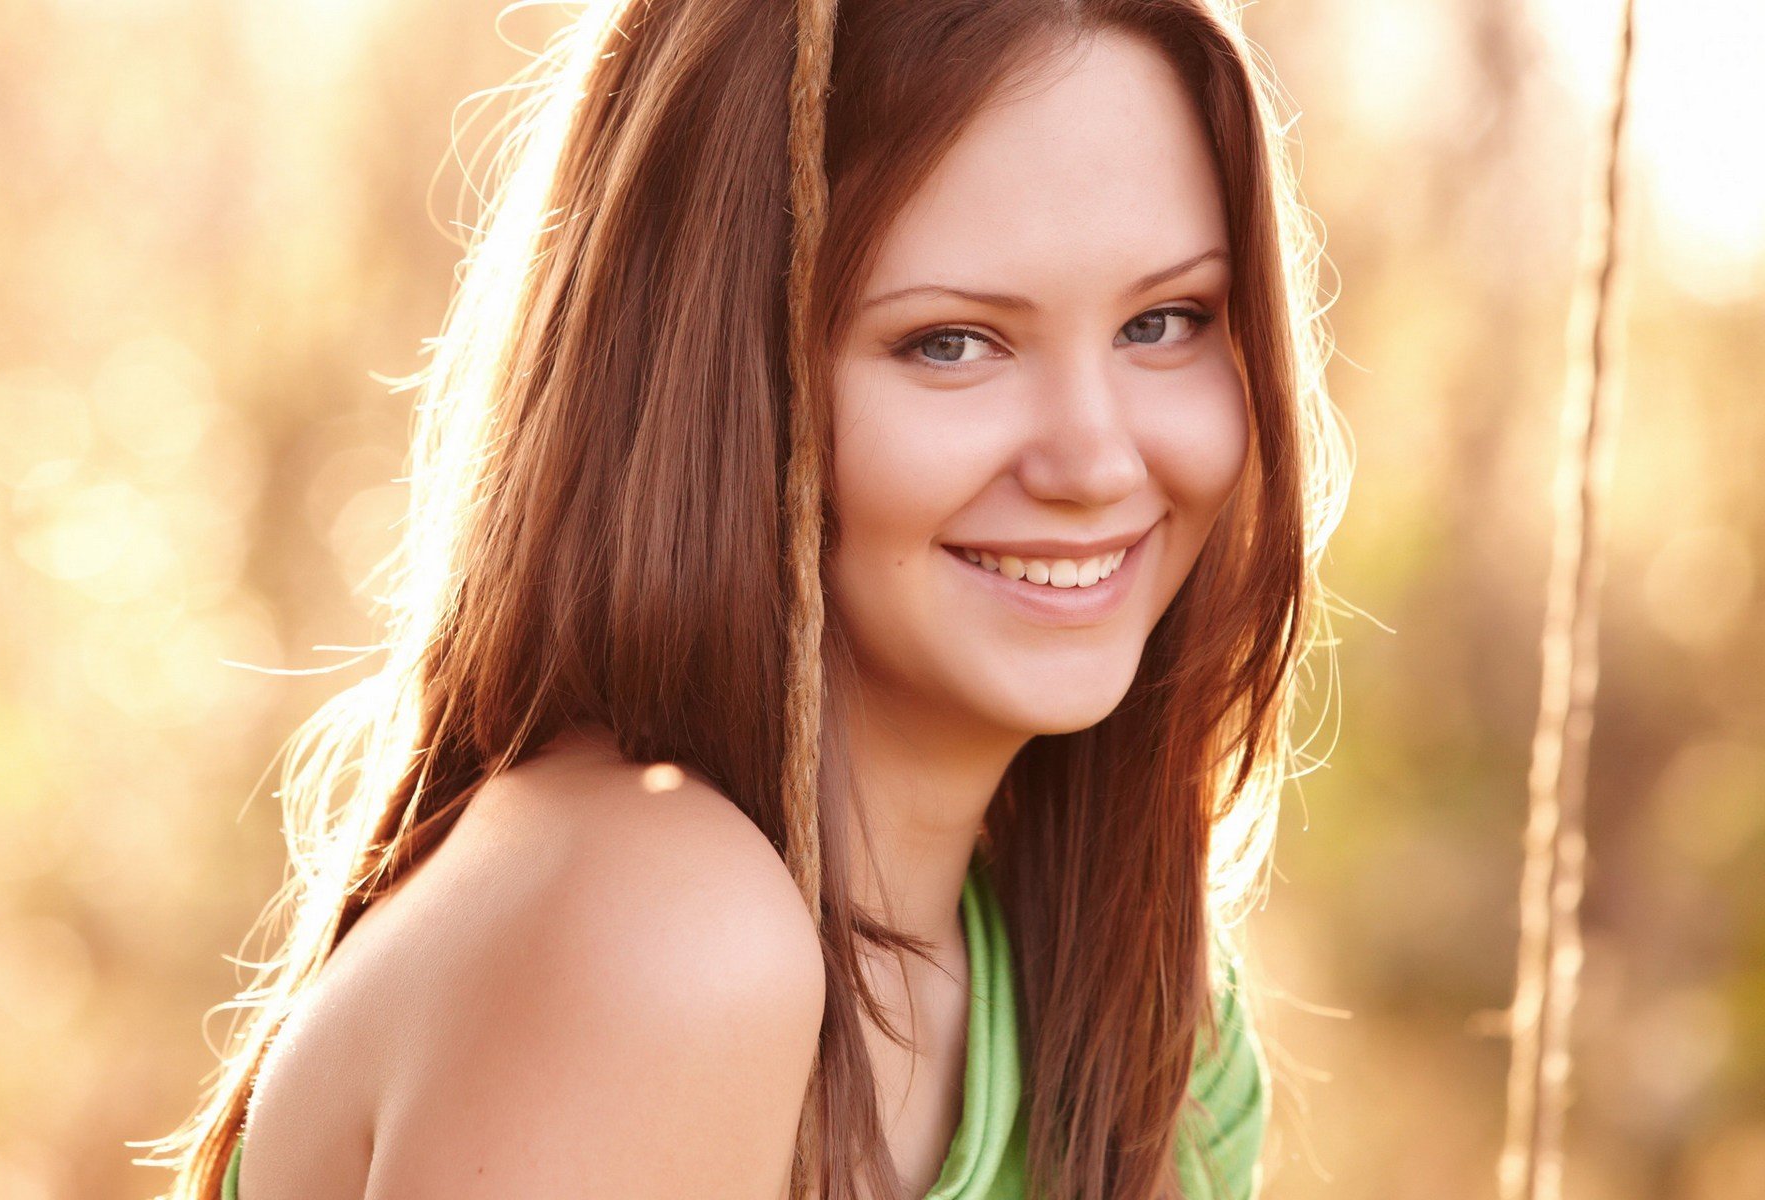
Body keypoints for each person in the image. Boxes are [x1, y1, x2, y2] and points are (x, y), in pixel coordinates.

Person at [144, 0, 1349, 1197]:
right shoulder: (655, 929)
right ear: (715, 382)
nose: (1095, 463)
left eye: (1165, 321)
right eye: (949, 342)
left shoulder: (1145, 1028)